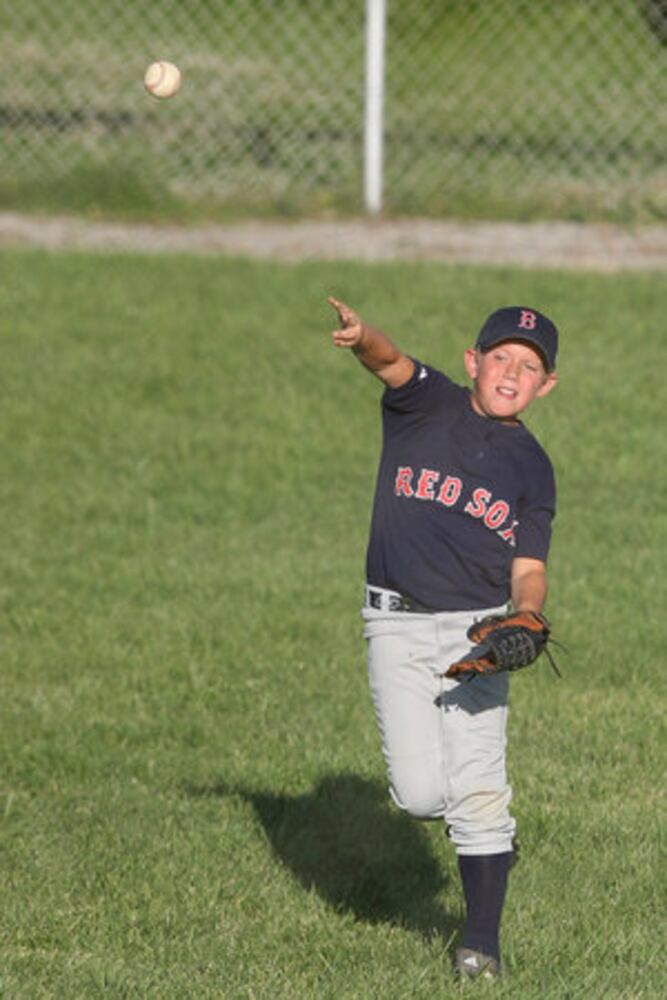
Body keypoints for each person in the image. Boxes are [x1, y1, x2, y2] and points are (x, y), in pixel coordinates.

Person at [327, 296, 559, 981]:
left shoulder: (532, 468)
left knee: (478, 789)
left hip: (476, 633)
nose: (512, 371)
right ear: (472, 362)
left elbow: (529, 568)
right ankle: (493, 851)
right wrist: (363, 335)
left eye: (529, 366)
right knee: (421, 796)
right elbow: (390, 363)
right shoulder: (425, 405)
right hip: (394, 623)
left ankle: (479, 944)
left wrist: (526, 616)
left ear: (545, 386)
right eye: (501, 357)